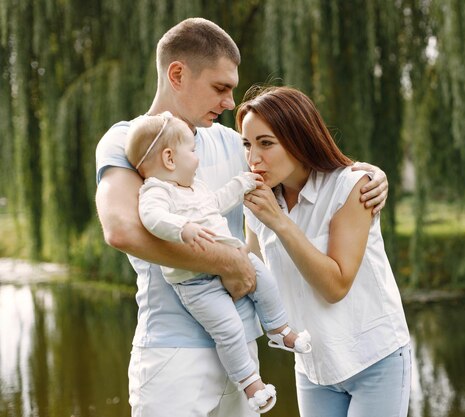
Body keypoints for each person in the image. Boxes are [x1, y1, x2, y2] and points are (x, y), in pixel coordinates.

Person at [94, 17, 389, 417]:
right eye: (220, 88)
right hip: (172, 355)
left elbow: (302, 159)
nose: (230, 102)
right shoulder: (128, 142)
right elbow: (122, 229)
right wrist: (229, 261)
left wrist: (368, 173)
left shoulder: (234, 144)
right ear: (177, 74)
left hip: (243, 354)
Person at [237, 86, 411, 417]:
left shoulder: (352, 186)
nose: (253, 158)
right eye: (247, 144)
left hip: (375, 359)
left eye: (265, 143)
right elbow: (252, 276)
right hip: (314, 366)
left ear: (299, 138)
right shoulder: (258, 201)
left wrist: (280, 223)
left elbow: (336, 285)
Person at [124, 112, 314, 413]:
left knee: (263, 278)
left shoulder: (196, 187)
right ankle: (252, 386)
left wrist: (242, 183)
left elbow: (219, 200)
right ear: (170, 158)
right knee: (228, 328)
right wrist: (181, 228)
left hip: (230, 259)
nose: (197, 158)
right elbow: (151, 218)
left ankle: (280, 330)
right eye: (192, 151)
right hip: (195, 283)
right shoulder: (155, 191)